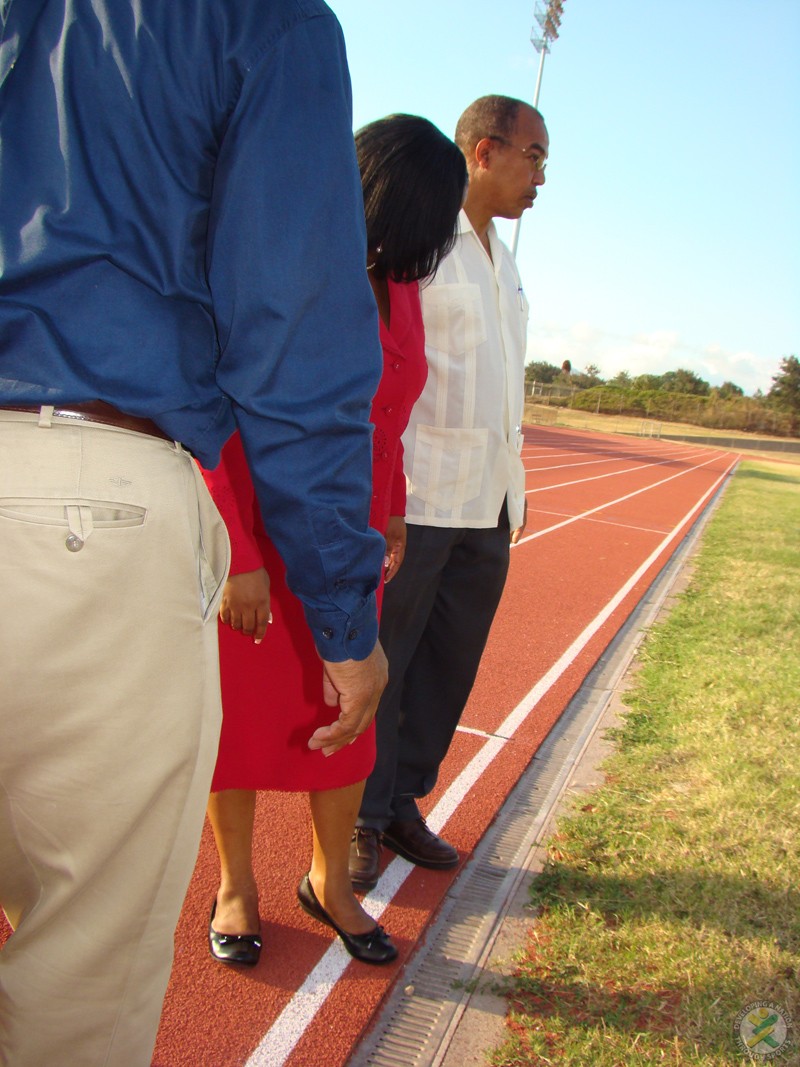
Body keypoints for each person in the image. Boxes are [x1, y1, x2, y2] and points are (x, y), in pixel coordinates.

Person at [0, 3, 388, 1065]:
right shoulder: (259, 20)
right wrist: (344, 615)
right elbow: (292, 329)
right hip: (86, 496)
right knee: (79, 970)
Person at [202, 115, 468, 967]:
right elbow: (216, 416)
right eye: (431, 220)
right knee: (240, 714)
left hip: (350, 539)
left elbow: (391, 414)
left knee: (348, 715)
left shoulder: (401, 287)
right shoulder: (280, 262)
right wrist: (237, 552)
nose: (433, 249)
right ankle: (235, 883)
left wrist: (391, 507)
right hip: (259, 523)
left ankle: (329, 881)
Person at [350, 95, 549, 889]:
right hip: (422, 494)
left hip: (491, 500)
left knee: (448, 668)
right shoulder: (423, 242)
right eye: (534, 157)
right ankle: (358, 818)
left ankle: (402, 802)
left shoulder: (507, 260)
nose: (541, 177)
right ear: (484, 151)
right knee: (386, 663)